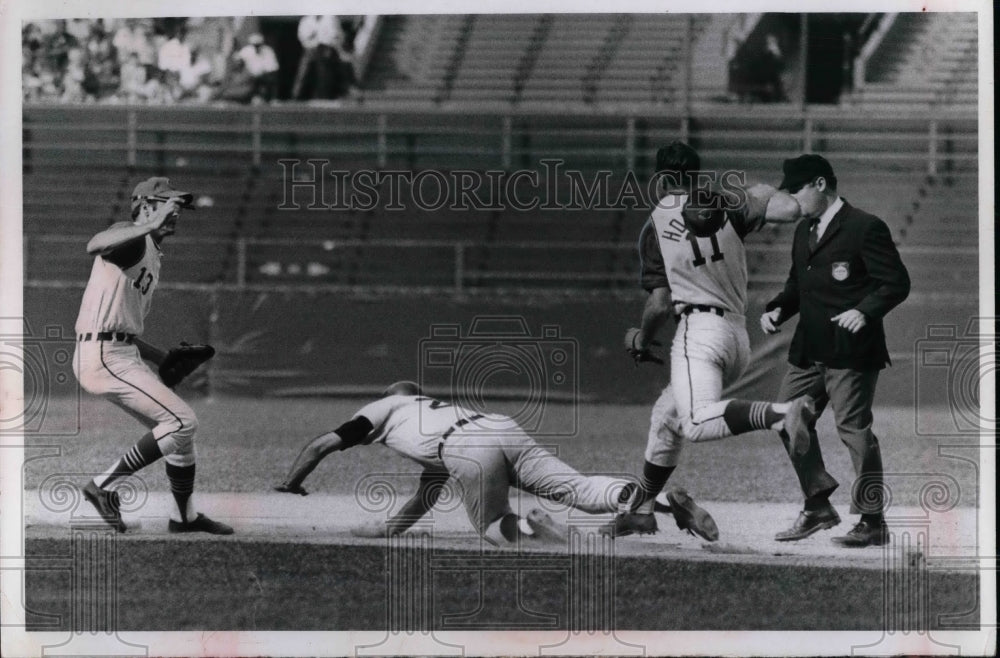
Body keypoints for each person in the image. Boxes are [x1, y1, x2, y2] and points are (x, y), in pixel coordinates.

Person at [603, 140, 813, 538]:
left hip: (698, 331)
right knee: (666, 419)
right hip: (737, 336)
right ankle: (643, 509)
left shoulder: (657, 223)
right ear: (696, 175)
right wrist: (758, 189)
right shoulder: (726, 203)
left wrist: (641, 339)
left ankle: (781, 415)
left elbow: (660, 304)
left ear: (662, 178)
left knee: (695, 422)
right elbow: (791, 208)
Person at [274, 381, 684, 544]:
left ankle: (529, 526)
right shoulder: (429, 414)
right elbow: (426, 495)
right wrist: (387, 531)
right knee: (583, 490)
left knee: (491, 528)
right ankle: (661, 500)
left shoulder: (384, 406)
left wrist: (292, 482)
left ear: (392, 393)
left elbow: (321, 444)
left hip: (466, 447)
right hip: (498, 426)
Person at [760, 154, 910, 547]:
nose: (792, 199)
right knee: (785, 418)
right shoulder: (803, 231)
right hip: (809, 349)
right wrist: (778, 307)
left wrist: (864, 311)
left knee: (855, 433)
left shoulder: (865, 227)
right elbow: (798, 285)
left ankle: (873, 522)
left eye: (796, 190)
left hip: (851, 351)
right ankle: (817, 505)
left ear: (820, 185)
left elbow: (895, 283)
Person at [73, 177, 233, 535]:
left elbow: (121, 325)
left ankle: (184, 517)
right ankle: (102, 487)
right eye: (166, 204)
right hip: (103, 355)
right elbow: (94, 244)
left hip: (118, 350)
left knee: (179, 432)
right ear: (144, 206)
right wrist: (145, 225)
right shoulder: (131, 235)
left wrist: (160, 358)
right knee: (182, 422)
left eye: (177, 207)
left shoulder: (150, 250)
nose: (174, 213)